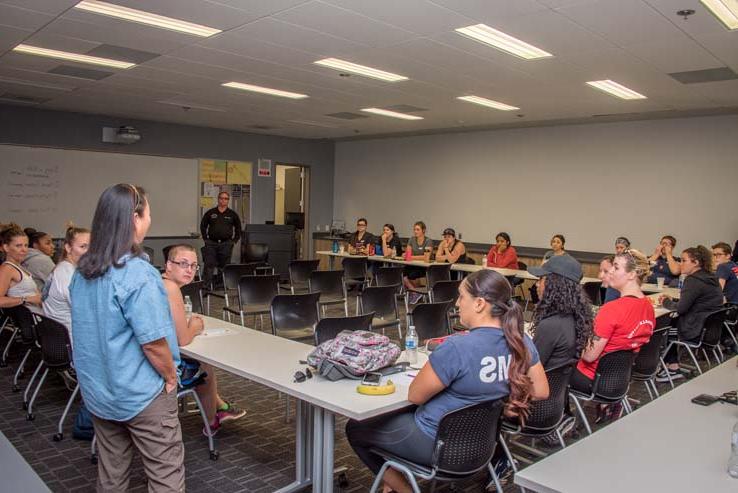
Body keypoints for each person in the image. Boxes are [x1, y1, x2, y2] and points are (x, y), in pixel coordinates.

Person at [346, 270, 549, 493]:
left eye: (462, 297)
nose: (457, 303)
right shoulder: (521, 342)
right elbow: (540, 390)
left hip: (437, 444)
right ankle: (390, 484)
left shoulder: (457, 348)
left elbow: (415, 395)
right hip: (482, 446)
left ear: (479, 303)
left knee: (356, 429)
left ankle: (404, 489)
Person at [71, 184, 184, 491]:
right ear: (135, 218)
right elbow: (152, 341)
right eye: (148, 213)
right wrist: (170, 376)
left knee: (111, 472)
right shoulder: (138, 274)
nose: (150, 220)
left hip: (99, 390)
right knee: (166, 477)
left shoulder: (82, 270)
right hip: (141, 393)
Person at [162, 245, 246, 435]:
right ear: (168, 265)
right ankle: (212, 422)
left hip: (148, 361)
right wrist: (195, 327)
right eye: (183, 264)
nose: (189, 270)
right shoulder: (171, 289)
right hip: (163, 370)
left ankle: (221, 407)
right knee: (205, 368)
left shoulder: (159, 283)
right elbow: (183, 339)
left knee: (199, 362)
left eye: (194, 266)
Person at [571, 249, 654, 420]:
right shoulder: (648, 306)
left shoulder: (612, 309)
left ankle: (559, 418)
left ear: (631, 274)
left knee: (553, 365)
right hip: (620, 380)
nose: (610, 273)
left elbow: (589, 355)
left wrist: (582, 334)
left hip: (592, 379)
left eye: (616, 268)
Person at [657, 246, 724, 381]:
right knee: (673, 322)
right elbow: (694, 302)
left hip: (695, 329)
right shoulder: (711, 277)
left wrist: (665, 302)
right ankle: (671, 364)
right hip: (710, 330)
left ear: (696, 263)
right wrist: (674, 302)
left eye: (684, 260)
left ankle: (673, 367)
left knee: (667, 326)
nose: (680, 263)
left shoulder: (693, 280)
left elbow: (681, 309)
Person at [528, 255, 594, 370]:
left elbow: (529, 368)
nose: (537, 284)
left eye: (540, 279)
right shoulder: (577, 319)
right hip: (559, 386)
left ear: (554, 284)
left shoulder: (550, 325)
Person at [42, 225, 90, 340]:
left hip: (58, 336)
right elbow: (85, 311)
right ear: (68, 248)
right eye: (83, 246)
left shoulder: (63, 267)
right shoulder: (66, 274)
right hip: (72, 339)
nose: (89, 252)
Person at [200, 191, 242, 288]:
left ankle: (219, 286)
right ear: (218, 199)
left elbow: (238, 228)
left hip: (226, 244)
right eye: (221, 198)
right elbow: (203, 226)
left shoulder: (232, 214)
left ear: (228, 201)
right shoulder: (210, 213)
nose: (223, 200)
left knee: (223, 267)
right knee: (209, 265)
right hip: (211, 243)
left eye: (226, 198)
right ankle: (206, 286)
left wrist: (234, 241)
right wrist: (206, 239)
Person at [0, 224, 43, 315]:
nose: (24, 250)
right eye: (18, 246)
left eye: (26, 245)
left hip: (38, 317)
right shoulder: (7, 269)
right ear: (6, 247)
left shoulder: (20, 267)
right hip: (29, 323)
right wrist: (27, 299)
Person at [529, 234, 567, 303]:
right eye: (553, 241)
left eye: (558, 242)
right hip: (544, 278)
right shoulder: (548, 254)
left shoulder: (565, 256)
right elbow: (542, 267)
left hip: (556, 281)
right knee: (534, 289)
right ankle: (538, 308)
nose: (555, 244)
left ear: (562, 245)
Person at [403, 221, 433, 303]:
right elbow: (408, 254)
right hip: (413, 264)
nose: (415, 231)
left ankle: (417, 292)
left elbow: (426, 257)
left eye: (418, 229)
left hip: (424, 267)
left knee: (412, 275)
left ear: (423, 230)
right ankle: (414, 292)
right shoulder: (411, 239)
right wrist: (407, 256)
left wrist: (411, 257)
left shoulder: (428, 241)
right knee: (402, 273)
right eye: (414, 229)